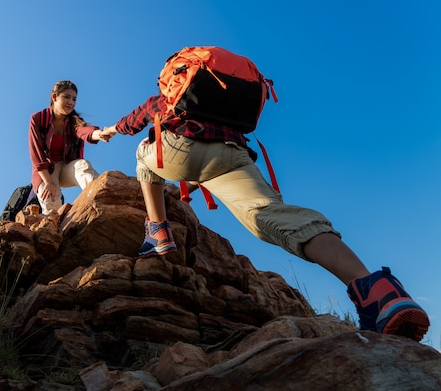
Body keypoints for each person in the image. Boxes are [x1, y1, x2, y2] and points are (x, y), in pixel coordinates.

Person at [100, 93, 430, 342]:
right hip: (231, 153)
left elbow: (133, 121)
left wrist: (105, 132)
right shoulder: (225, 100)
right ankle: (378, 291)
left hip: (179, 150)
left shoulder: (167, 97)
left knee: (144, 151)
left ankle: (158, 232)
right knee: (271, 216)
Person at [29, 80, 109, 215]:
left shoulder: (74, 121)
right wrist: (49, 182)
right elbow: (36, 154)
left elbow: (84, 131)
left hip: (66, 166)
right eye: (66, 97)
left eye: (74, 99)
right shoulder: (38, 119)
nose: (71, 102)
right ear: (54, 97)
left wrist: (99, 134)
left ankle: (101, 199)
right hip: (47, 170)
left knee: (83, 165)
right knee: (50, 196)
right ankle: (52, 226)